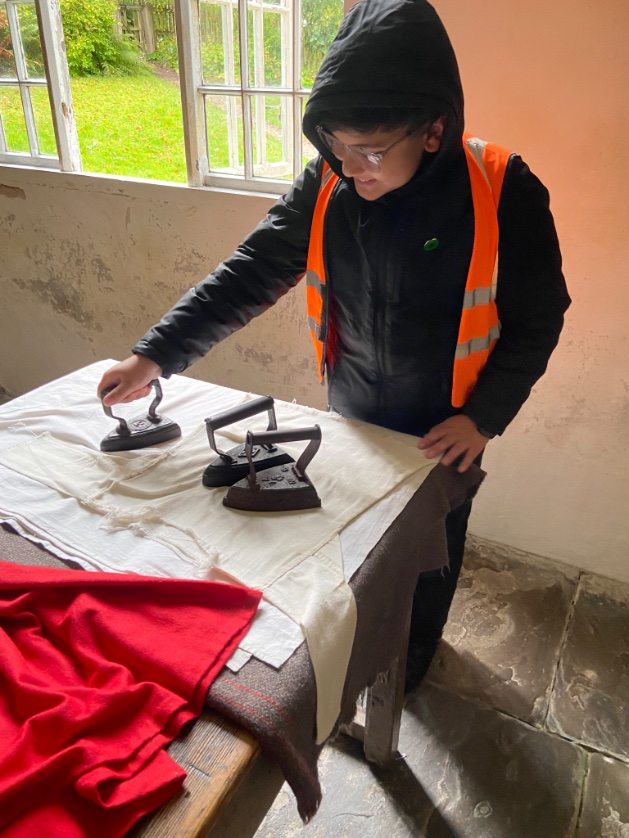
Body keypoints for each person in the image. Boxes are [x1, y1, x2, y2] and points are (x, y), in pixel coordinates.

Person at [97, 0, 570, 692]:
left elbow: (540, 317)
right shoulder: (329, 179)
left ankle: (409, 669)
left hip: (445, 429)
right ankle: (359, 658)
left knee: (429, 553)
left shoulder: (501, 188)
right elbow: (252, 271)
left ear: (433, 129)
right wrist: (155, 354)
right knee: (358, 550)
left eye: (369, 151)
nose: (350, 169)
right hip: (350, 407)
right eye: (336, 147)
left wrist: (483, 416)